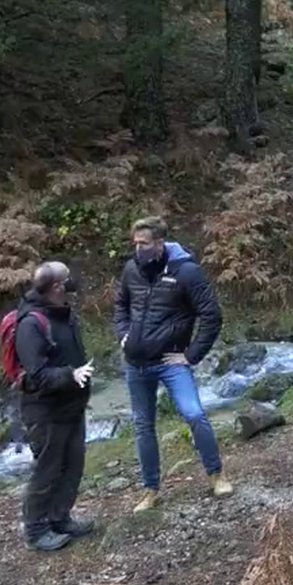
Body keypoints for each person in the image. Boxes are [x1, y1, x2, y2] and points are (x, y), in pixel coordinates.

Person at [113, 217, 230, 512]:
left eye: (144, 243)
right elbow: (120, 305)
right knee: (143, 426)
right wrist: (123, 335)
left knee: (194, 414)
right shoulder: (131, 269)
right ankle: (150, 490)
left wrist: (191, 356)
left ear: (159, 243)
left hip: (171, 362)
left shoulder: (186, 271)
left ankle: (216, 475)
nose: (138, 249)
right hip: (135, 363)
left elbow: (211, 315)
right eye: (135, 243)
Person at [15, 261, 97, 551]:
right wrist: (70, 375)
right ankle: (36, 530)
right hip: (45, 412)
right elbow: (36, 375)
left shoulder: (63, 313)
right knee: (47, 471)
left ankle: (60, 518)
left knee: (73, 466)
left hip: (71, 406)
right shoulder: (31, 324)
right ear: (57, 287)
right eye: (67, 278)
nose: (73, 281)